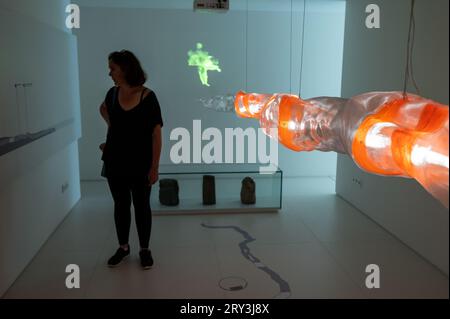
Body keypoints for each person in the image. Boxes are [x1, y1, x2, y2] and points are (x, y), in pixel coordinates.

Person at [99, 50, 163, 269]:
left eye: (112, 69)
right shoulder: (111, 94)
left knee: (142, 206)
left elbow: (156, 135)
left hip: (140, 163)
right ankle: (123, 247)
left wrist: (154, 167)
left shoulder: (148, 97)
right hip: (115, 161)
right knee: (121, 205)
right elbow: (105, 112)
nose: (110, 73)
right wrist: (111, 135)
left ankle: (144, 250)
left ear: (125, 69)